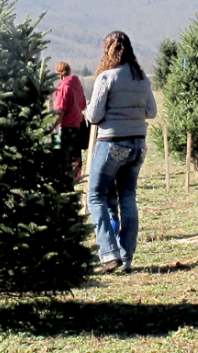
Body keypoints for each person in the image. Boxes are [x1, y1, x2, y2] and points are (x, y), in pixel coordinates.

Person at [85, 32, 157, 274]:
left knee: (95, 196)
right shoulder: (142, 79)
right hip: (138, 145)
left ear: (108, 51)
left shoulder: (106, 78)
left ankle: (108, 253)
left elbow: (94, 116)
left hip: (111, 143)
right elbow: (152, 111)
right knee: (128, 198)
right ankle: (126, 258)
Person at [52, 62, 87, 181]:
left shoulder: (63, 87)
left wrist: (53, 126)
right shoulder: (77, 86)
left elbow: (59, 109)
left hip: (65, 127)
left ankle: (65, 179)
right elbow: (83, 105)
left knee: (62, 155)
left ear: (59, 74)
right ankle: (76, 177)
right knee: (76, 155)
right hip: (78, 125)